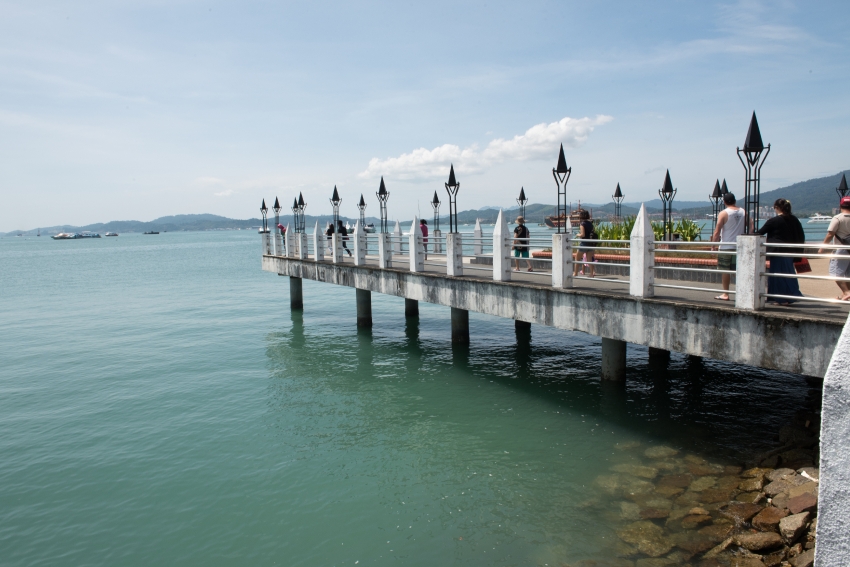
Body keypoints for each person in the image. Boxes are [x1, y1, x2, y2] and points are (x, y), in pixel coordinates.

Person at [755, 198, 805, 305]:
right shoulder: (794, 219)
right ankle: (789, 297)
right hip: (791, 252)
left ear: (776, 208)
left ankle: (781, 299)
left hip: (777, 252)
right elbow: (801, 235)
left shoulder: (774, 221)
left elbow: (760, 233)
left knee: (777, 275)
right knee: (788, 274)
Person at [710, 192, 746, 301]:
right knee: (738, 271)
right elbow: (751, 226)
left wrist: (713, 246)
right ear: (735, 201)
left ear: (724, 202)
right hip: (740, 246)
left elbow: (717, 231)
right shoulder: (743, 212)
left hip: (726, 246)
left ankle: (726, 293)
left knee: (725, 271)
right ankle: (743, 293)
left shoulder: (724, 213)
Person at [819, 196, 850, 301]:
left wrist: (822, 248)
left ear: (840, 205)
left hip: (841, 249)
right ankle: (845, 295)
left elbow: (830, 234)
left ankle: (846, 292)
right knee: (847, 274)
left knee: (835, 273)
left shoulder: (838, 218)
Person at [573, 210, 596, 277]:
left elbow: (583, 234)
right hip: (590, 243)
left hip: (584, 243)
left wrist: (578, 234)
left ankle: (575, 273)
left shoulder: (582, 224)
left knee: (577, 258)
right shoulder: (590, 224)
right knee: (589, 260)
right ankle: (591, 274)